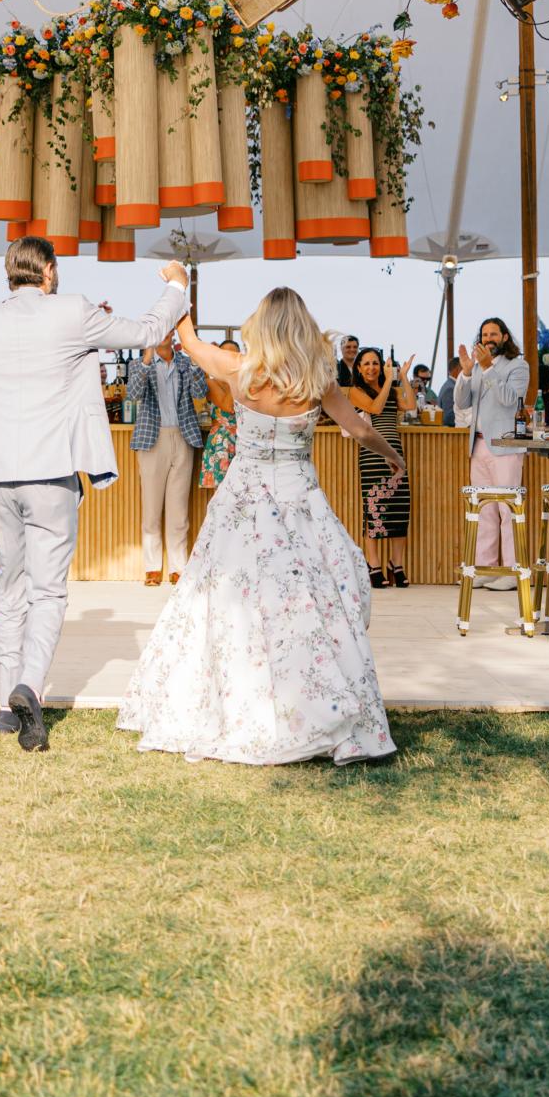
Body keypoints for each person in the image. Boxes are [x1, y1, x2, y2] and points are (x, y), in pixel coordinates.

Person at [0, 235, 189, 752]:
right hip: (51, 473)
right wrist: (177, 287)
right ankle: (29, 688)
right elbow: (150, 329)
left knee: (8, 585)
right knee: (49, 590)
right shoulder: (74, 314)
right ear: (50, 272)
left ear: (8, 274)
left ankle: (3, 705)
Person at [117, 287, 398, 767]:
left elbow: (185, 337)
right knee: (319, 602)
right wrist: (394, 457)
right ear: (303, 326)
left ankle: (239, 702)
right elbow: (361, 429)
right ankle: (321, 703)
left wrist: (177, 285)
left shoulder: (239, 368)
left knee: (224, 605)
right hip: (300, 501)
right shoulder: (318, 378)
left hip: (242, 503)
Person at [453, 317, 529, 591]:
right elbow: (462, 402)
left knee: (507, 509)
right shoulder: (477, 368)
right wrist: (465, 373)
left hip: (505, 446)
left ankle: (512, 571)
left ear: (504, 337)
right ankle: (485, 567)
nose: (488, 339)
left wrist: (487, 368)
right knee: (483, 509)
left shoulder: (518, 365)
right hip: (479, 445)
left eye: (493, 334)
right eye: (484, 334)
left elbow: (511, 398)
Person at [128, 335, 208, 585]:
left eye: (167, 331)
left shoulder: (185, 363)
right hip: (152, 438)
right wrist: (147, 358)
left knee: (178, 509)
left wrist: (195, 361)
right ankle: (152, 568)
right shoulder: (140, 365)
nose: (164, 336)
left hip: (183, 436)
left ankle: (178, 567)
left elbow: (200, 392)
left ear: (172, 335)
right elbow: (133, 394)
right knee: (151, 508)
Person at [347, 346, 416, 587]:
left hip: (396, 454)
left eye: (375, 363)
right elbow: (375, 408)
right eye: (366, 363)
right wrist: (389, 382)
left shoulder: (391, 387)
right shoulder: (356, 391)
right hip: (372, 453)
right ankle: (373, 564)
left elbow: (410, 405)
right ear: (358, 368)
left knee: (399, 511)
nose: (371, 368)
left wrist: (403, 377)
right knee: (374, 510)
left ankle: (396, 565)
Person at [199, 339, 242, 490]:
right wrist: (235, 376)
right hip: (221, 444)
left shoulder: (245, 381)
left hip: (244, 442)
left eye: (233, 355)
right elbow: (228, 406)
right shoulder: (211, 383)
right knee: (222, 497)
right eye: (225, 355)